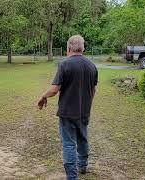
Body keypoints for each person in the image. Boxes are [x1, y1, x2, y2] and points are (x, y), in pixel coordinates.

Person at [37, 35, 98, 180]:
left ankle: (72, 176)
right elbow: (93, 89)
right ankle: (82, 166)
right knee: (83, 138)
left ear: (69, 48)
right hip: (84, 111)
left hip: (68, 113)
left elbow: (54, 89)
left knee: (69, 144)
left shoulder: (65, 64)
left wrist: (43, 96)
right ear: (82, 48)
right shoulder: (92, 65)